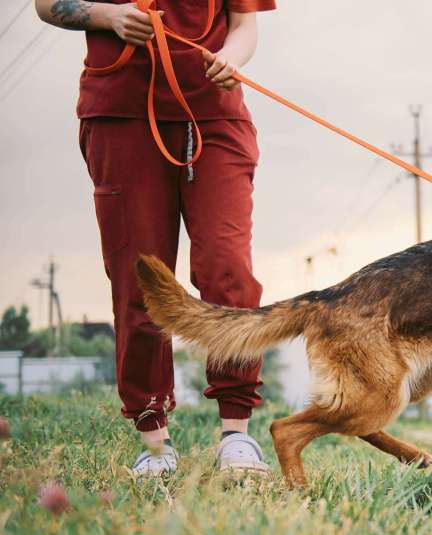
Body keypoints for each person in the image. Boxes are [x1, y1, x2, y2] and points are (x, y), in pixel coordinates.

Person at [35, 0, 277, 476]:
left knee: (229, 272)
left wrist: (232, 56)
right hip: (121, 117)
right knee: (140, 278)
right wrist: (108, 17)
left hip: (213, 117)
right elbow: (47, 5)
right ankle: (155, 442)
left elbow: (245, 25)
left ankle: (236, 434)